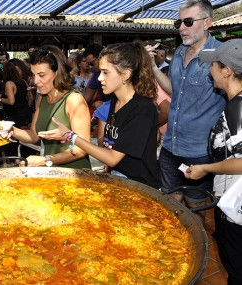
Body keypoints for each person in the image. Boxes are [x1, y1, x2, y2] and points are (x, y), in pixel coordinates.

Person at [39, 41, 160, 188]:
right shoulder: (115, 102)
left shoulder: (141, 108)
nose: (99, 78)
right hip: (120, 180)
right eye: (100, 72)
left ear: (125, 74)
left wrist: (71, 136)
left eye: (106, 72)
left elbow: (112, 158)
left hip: (141, 188)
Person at [146, 0, 227, 224]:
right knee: (170, 201)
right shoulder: (180, 52)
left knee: (196, 206)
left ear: (208, 22)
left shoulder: (219, 56)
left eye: (188, 22)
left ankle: (199, 250)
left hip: (199, 151)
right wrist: (153, 67)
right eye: (179, 22)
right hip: (171, 145)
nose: (181, 27)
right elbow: (174, 90)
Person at [184, 39, 242, 285]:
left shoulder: (237, 108)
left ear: (226, 71)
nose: (209, 70)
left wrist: (205, 168)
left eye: (213, 66)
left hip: (235, 208)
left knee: (236, 266)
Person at [4, 45, 91, 169]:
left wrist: (45, 160)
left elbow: (82, 150)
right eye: (33, 75)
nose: (35, 81)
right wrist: (9, 129)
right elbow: (34, 136)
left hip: (75, 174)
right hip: (52, 172)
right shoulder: (42, 98)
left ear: (57, 73)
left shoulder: (74, 100)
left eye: (41, 75)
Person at [0, 62, 32, 128]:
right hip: (26, 113)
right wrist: (25, 107)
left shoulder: (9, 83)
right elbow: (30, 97)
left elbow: (11, 101)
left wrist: (1, 100)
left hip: (15, 115)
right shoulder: (23, 81)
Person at [82, 43, 111, 108]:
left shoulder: (113, 73)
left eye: (92, 63)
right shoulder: (96, 73)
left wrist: (104, 104)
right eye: (88, 64)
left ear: (101, 57)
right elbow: (87, 96)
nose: (90, 67)